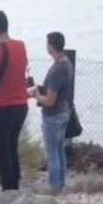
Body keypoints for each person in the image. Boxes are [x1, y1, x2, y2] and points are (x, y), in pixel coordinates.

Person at [0, 10, 29, 191]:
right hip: (21, 105)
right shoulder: (21, 46)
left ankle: (9, 190)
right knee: (11, 148)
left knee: (1, 152)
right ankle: (15, 186)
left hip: (2, 107)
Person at [31, 32, 74, 193]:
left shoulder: (57, 69)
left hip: (53, 115)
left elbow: (49, 100)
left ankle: (54, 186)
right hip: (64, 111)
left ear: (51, 46)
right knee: (59, 149)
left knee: (52, 153)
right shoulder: (66, 63)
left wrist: (36, 95)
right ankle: (62, 183)